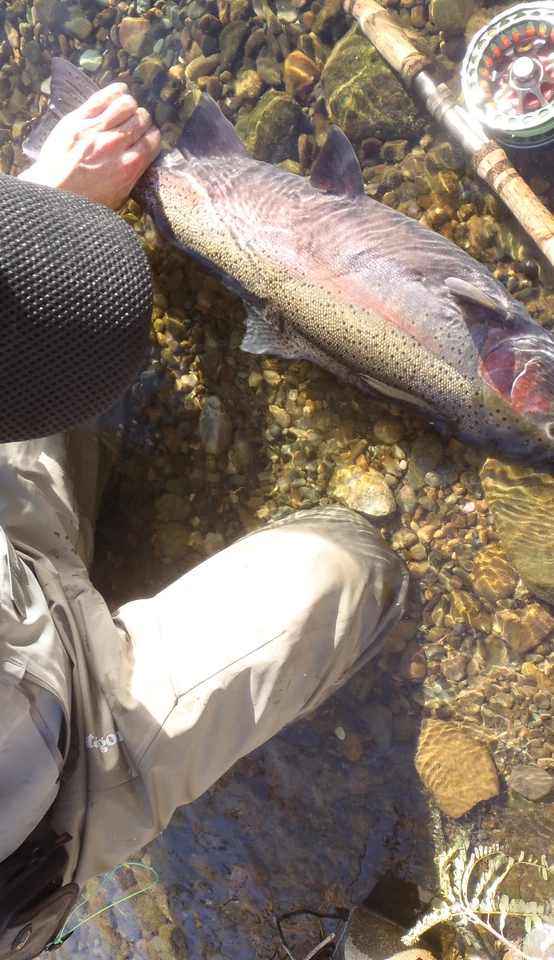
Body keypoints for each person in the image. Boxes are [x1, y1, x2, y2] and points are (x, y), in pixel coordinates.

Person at [0, 79, 408, 954]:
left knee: (69, 297)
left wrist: (37, 214)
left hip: (13, 568)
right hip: (66, 785)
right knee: (352, 572)